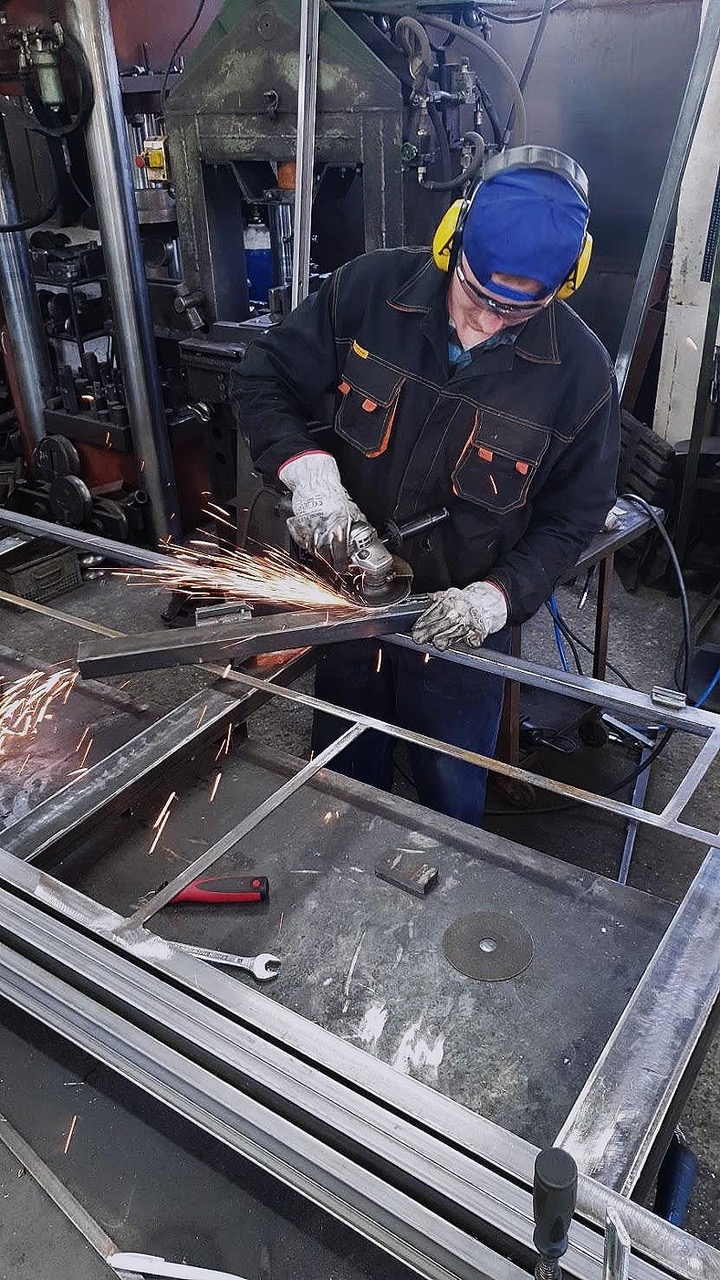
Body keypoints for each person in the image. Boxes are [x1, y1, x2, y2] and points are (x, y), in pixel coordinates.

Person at [233, 148, 620, 826]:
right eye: (478, 297)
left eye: (514, 314)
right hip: (349, 601)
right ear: (453, 238)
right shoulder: (368, 290)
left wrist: (496, 600)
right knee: (342, 785)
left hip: (460, 636)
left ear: (566, 281)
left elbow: (576, 514)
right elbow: (262, 378)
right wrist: (310, 477)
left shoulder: (581, 376)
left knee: (448, 804)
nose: (487, 324)